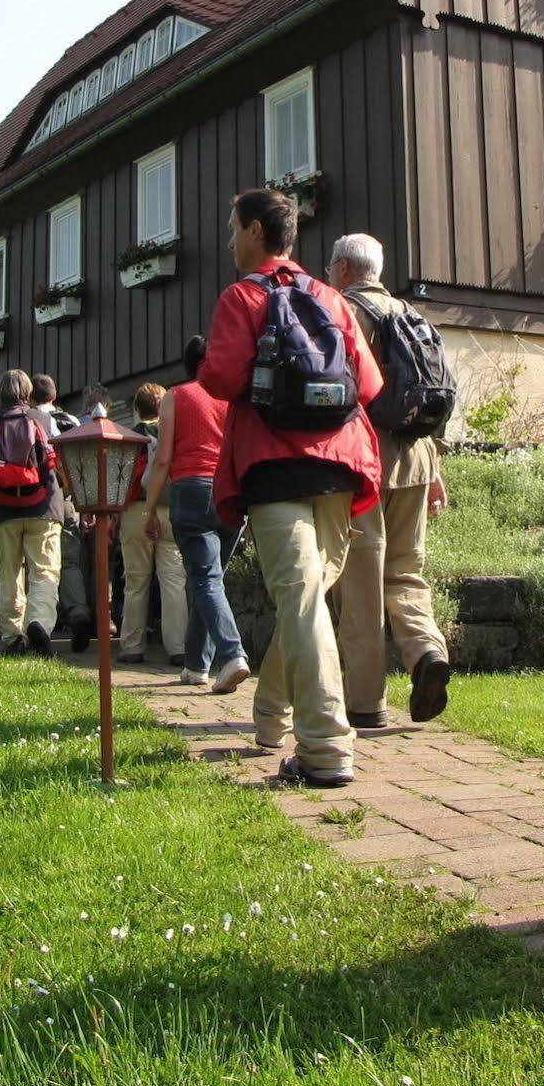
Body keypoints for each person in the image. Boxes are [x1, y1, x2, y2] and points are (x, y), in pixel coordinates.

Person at [198, 186, 384, 788]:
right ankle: (271, 715)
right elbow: (371, 385)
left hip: (275, 464)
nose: (229, 239)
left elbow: (220, 378)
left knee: (300, 602)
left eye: (233, 227)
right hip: (340, 462)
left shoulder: (241, 297)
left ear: (256, 231)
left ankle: (326, 751)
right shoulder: (331, 295)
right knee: (306, 600)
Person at [326, 233, 455, 730]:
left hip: (364, 463)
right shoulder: (413, 314)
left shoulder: (341, 311)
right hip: (418, 460)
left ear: (341, 269)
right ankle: (425, 653)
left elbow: (338, 395)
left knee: (359, 587)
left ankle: (366, 703)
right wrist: (436, 471)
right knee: (405, 573)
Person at [141, 334, 250, 692]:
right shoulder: (232, 396)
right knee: (210, 579)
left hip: (191, 490)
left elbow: (163, 459)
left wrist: (149, 508)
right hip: (232, 492)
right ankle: (195, 665)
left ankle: (232, 654)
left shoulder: (177, 396)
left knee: (205, 579)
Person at [0, 369, 67, 655]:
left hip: (2, 510)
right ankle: (39, 621)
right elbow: (60, 461)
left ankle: (13, 636)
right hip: (43, 507)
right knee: (44, 570)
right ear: (28, 392)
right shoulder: (43, 419)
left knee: (8, 573)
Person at [116, 382, 188, 664]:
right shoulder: (173, 433)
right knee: (173, 579)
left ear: (136, 407)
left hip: (135, 511)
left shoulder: (127, 437)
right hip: (170, 509)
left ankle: (132, 646)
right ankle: (178, 646)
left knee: (136, 581)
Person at [30, 374, 95, 652]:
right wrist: (86, 505)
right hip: (68, 501)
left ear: (31, 397)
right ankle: (78, 611)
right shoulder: (73, 421)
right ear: (55, 396)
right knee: (70, 563)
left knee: (35, 566)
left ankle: (36, 624)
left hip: (36, 501)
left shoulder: (29, 419)